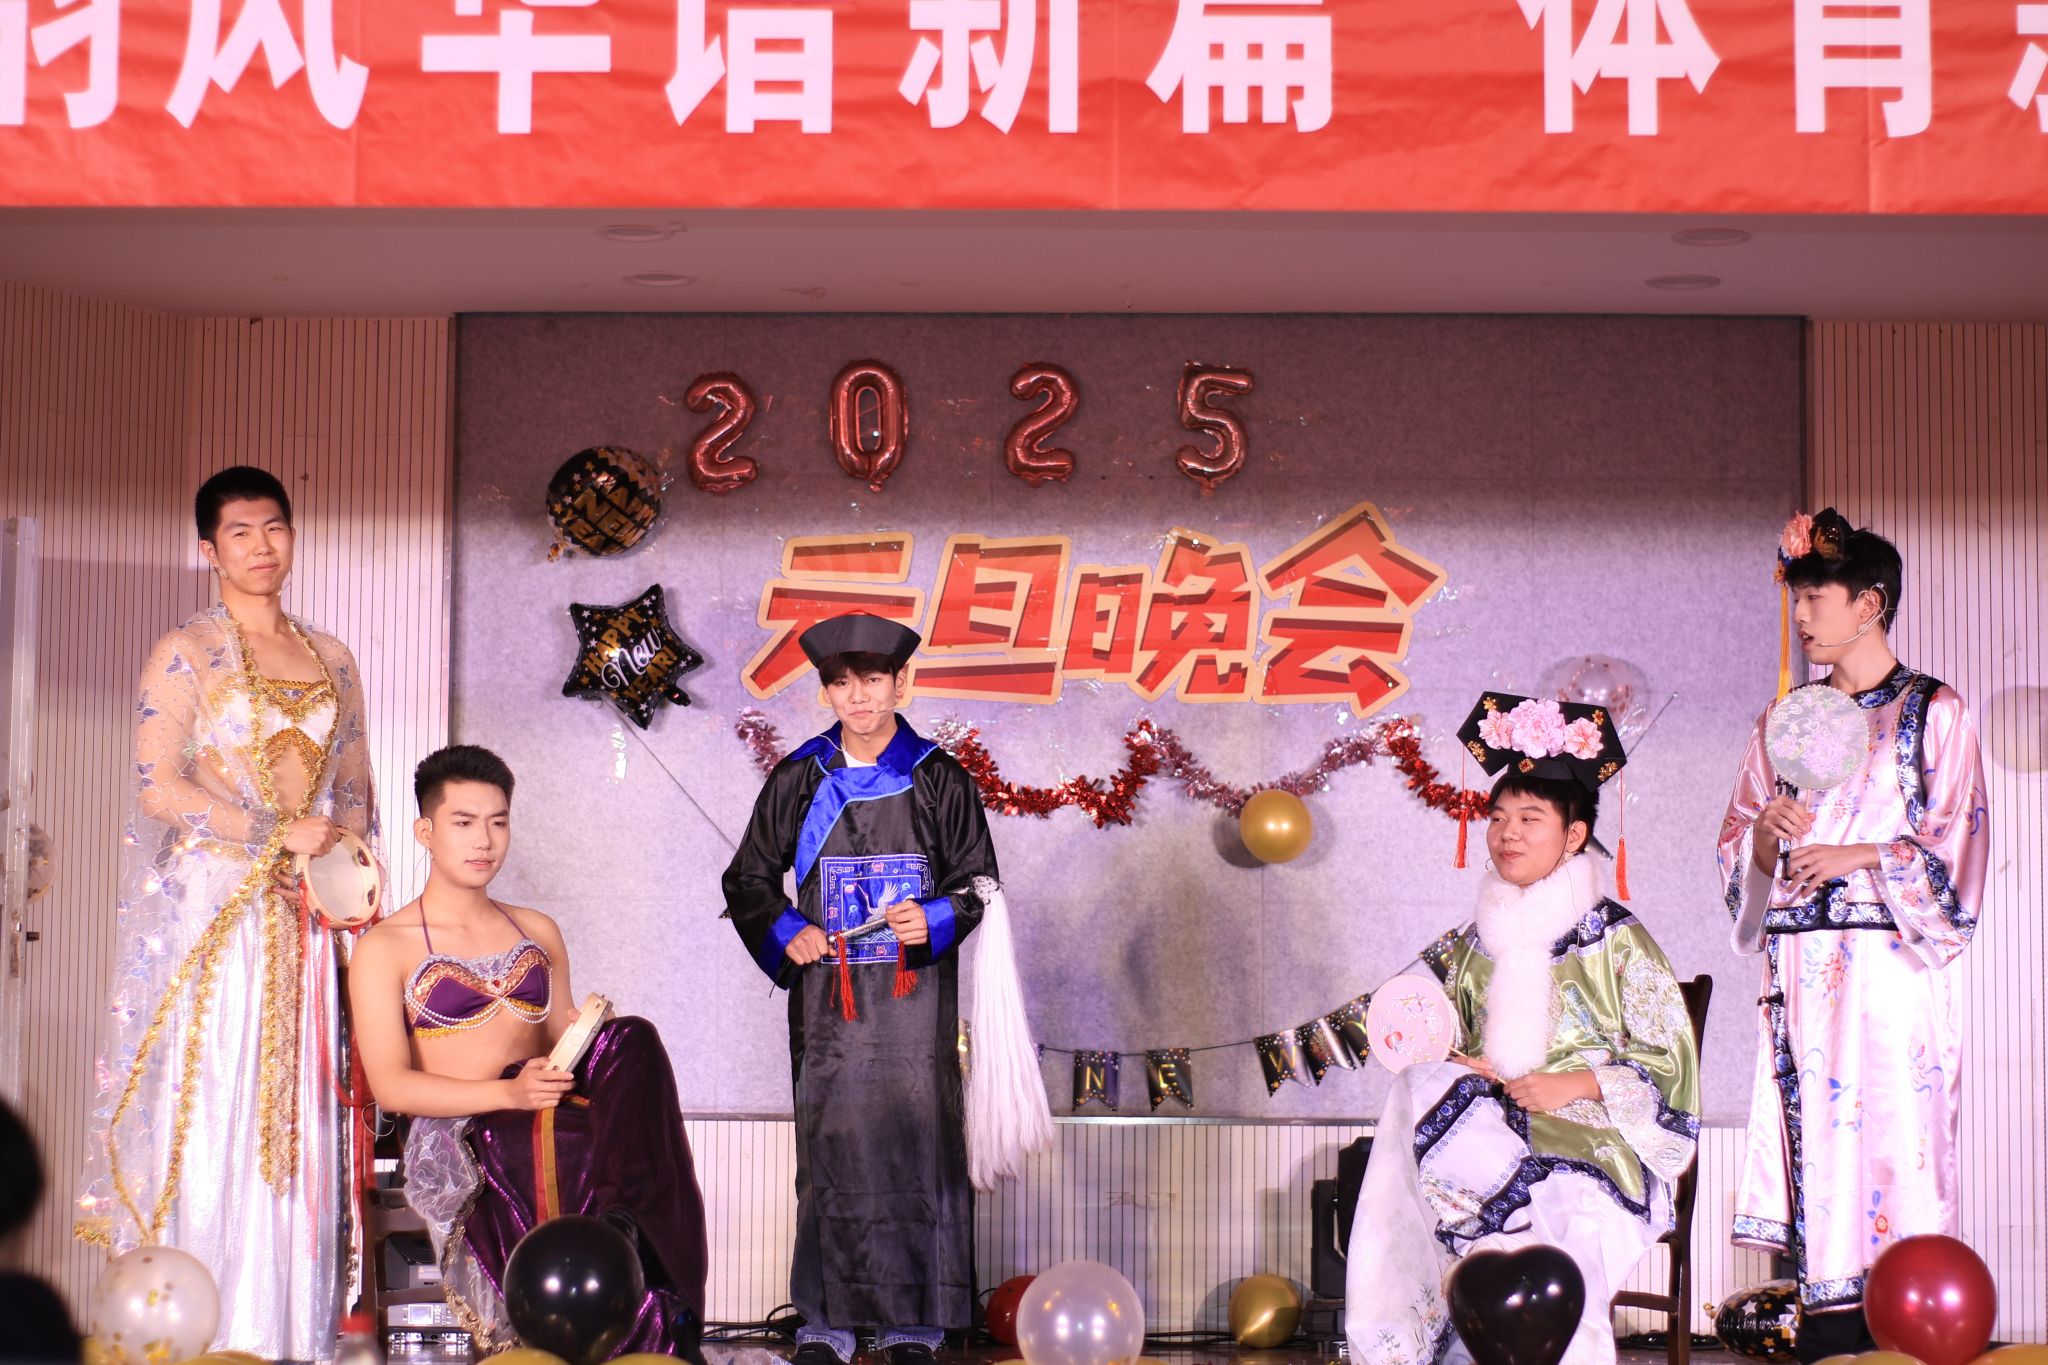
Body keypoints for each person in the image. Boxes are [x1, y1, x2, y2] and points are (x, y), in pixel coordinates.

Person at [75, 465, 373, 1360]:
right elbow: (157, 785)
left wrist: (328, 865)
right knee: (214, 1102)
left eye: (274, 526)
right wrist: (270, 835)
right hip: (217, 914)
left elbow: (354, 791)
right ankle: (204, 1337)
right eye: (240, 532)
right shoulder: (187, 650)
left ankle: (287, 1335)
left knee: (297, 1121)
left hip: (301, 914)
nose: (261, 546)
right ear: (209, 549)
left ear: (293, 536)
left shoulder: (334, 656)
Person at [1346, 693, 1700, 1365]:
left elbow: (1670, 1065)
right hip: (1488, 1129)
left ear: (1573, 835)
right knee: (1421, 1087)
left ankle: (1535, 1314)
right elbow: (1433, 1033)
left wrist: (1576, 1083)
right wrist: (1462, 1061)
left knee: (1559, 1211)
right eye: (1499, 817)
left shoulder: (1618, 939)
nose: (1507, 833)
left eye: (1530, 818)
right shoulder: (1470, 942)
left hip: (1593, 1138)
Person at [1717, 509, 1988, 1361]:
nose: (1801, 616)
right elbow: (1738, 845)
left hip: (1889, 962)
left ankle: (1907, 1316)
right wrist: (1767, 838)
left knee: (1898, 1142)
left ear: (1870, 603)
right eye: (1796, 598)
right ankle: (1826, 1325)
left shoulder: (1933, 710)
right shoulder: (1785, 720)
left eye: (1817, 598)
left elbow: (1958, 847)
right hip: (1802, 967)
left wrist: (1861, 853)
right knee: (1816, 1150)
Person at [348, 745, 708, 1358]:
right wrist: (507, 1094)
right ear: (425, 832)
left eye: (498, 822)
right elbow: (392, 1087)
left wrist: (583, 1034)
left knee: (634, 1037)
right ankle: (616, 1307)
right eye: (464, 822)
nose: (484, 840)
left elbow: (554, 1052)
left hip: (542, 1098)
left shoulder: (536, 930)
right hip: (467, 1124)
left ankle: (624, 1229)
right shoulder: (386, 947)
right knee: (569, 1139)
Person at [722, 613, 999, 1365]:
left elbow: (979, 884)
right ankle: (827, 1320)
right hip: (830, 1010)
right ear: (825, 692)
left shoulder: (941, 778)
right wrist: (788, 929)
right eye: (841, 683)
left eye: (873, 679)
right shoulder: (800, 776)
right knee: (831, 1150)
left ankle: (920, 1322)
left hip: (916, 1009)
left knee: (920, 1145)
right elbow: (747, 878)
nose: (859, 696)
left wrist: (932, 915)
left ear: (902, 682)